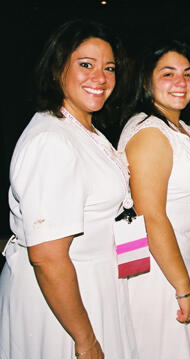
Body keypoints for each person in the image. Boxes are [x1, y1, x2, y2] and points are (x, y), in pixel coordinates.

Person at [0, 19, 137, 358]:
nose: (100, 78)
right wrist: (84, 338)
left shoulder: (85, 130)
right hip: (63, 303)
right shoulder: (51, 140)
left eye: (109, 68)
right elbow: (47, 258)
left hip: (94, 284)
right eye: (86, 65)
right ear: (57, 68)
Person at [117, 40, 190, 358]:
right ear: (147, 81)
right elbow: (152, 217)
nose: (180, 82)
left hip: (176, 260)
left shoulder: (180, 128)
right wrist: (183, 287)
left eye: (187, 74)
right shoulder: (150, 134)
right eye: (167, 73)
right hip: (159, 273)